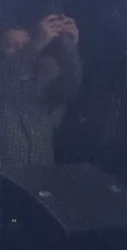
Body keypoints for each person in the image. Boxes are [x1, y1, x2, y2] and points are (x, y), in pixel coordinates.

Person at [0, 15, 81, 171]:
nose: (20, 50)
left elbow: (70, 88)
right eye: (11, 45)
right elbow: (11, 70)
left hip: (42, 179)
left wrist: (70, 47)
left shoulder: (43, 87)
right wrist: (38, 42)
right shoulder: (4, 77)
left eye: (24, 46)